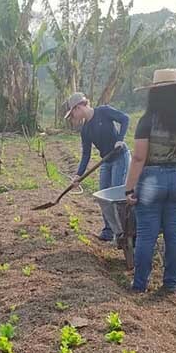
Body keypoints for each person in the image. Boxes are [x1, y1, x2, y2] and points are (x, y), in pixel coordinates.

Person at [123, 68, 176, 293]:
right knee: (175, 233)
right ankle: (172, 284)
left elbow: (139, 158)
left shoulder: (147, 121)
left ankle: (140, 284)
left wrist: (129, 189)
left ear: (154, 94)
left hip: (152, 181)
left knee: (147, 234)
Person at [63, 92, 131, 242]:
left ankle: (122, 233)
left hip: (120, 157)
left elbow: (125, 119)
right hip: (106, 161)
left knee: (116, 195)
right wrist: (78, 175)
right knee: (104, 196)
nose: (73, 118)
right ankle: (108, 231)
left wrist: (120, 140)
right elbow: (86, 155)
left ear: (78, 107)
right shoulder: (85, 130)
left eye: (72, 114)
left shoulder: (103, 111)